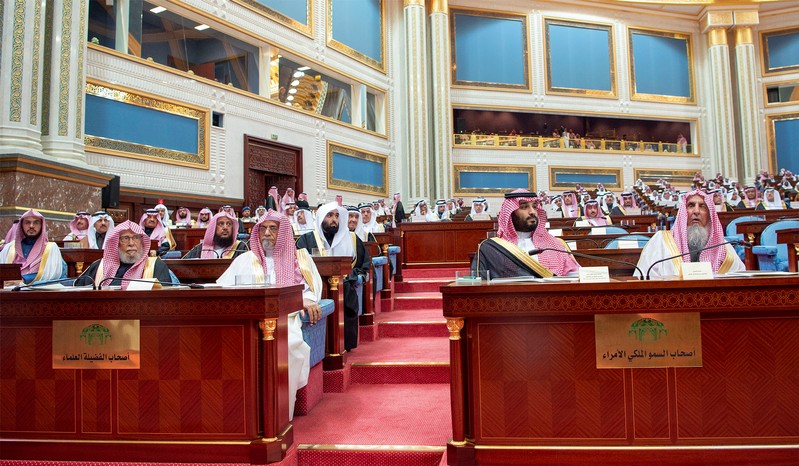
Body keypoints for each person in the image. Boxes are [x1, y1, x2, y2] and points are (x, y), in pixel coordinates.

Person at [217, 210, 323, 419]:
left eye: (273, 229)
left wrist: (309, 300)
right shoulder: (245, 259)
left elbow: (310, 289)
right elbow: (222, 289)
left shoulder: (300, 258)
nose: (267, 233)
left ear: (283, 232)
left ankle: (279, 413)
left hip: (285, 318)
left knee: (289, 346)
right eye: (263, 228)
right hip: (248, 320)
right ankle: (239, 414)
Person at [295, 202, 370, 351]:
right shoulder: (306, 240)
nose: (334, 220)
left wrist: (353, 276)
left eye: (336, 216)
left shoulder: (352, 238)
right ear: (322, 218)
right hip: (315, 289)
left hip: (344, 288)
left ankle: (343, 345)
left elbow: (364, 265)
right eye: (330, 216)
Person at [636, 190, 745, 278]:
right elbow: (643, 279)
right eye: (691, 205)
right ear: (683, 212)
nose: (696, 211)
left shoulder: (723, 248)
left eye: (702, 206)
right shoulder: (661, 242)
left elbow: (740, 280)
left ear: (709, 215)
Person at [471, 190, 580, 278]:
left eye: (534, 206)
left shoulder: (555, 245)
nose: (532, 211)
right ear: (510, 213)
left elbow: (575, 277)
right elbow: (478, 284)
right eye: (524, 207)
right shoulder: (492, 249)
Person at [75, 220, 176, 288]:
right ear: (116, 243)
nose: (131, 243)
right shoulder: (99, 267)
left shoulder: (156, 265)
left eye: (136, 238)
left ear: (142, 242)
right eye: (125, 238)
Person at [1, 209, 67, 285]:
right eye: (27, 222)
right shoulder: (9, 248)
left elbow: (53, 275)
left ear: (41, 226)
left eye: (36, 222)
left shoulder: (51, 248)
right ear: (21, 226)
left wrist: (24, 280)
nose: (31, 226)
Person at [183, 211, 248, 259]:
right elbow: (184, 265)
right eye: (221, 224)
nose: (225, 227)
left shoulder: (240, 247)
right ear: (213, 228)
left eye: (229, 224)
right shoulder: (201, 249)